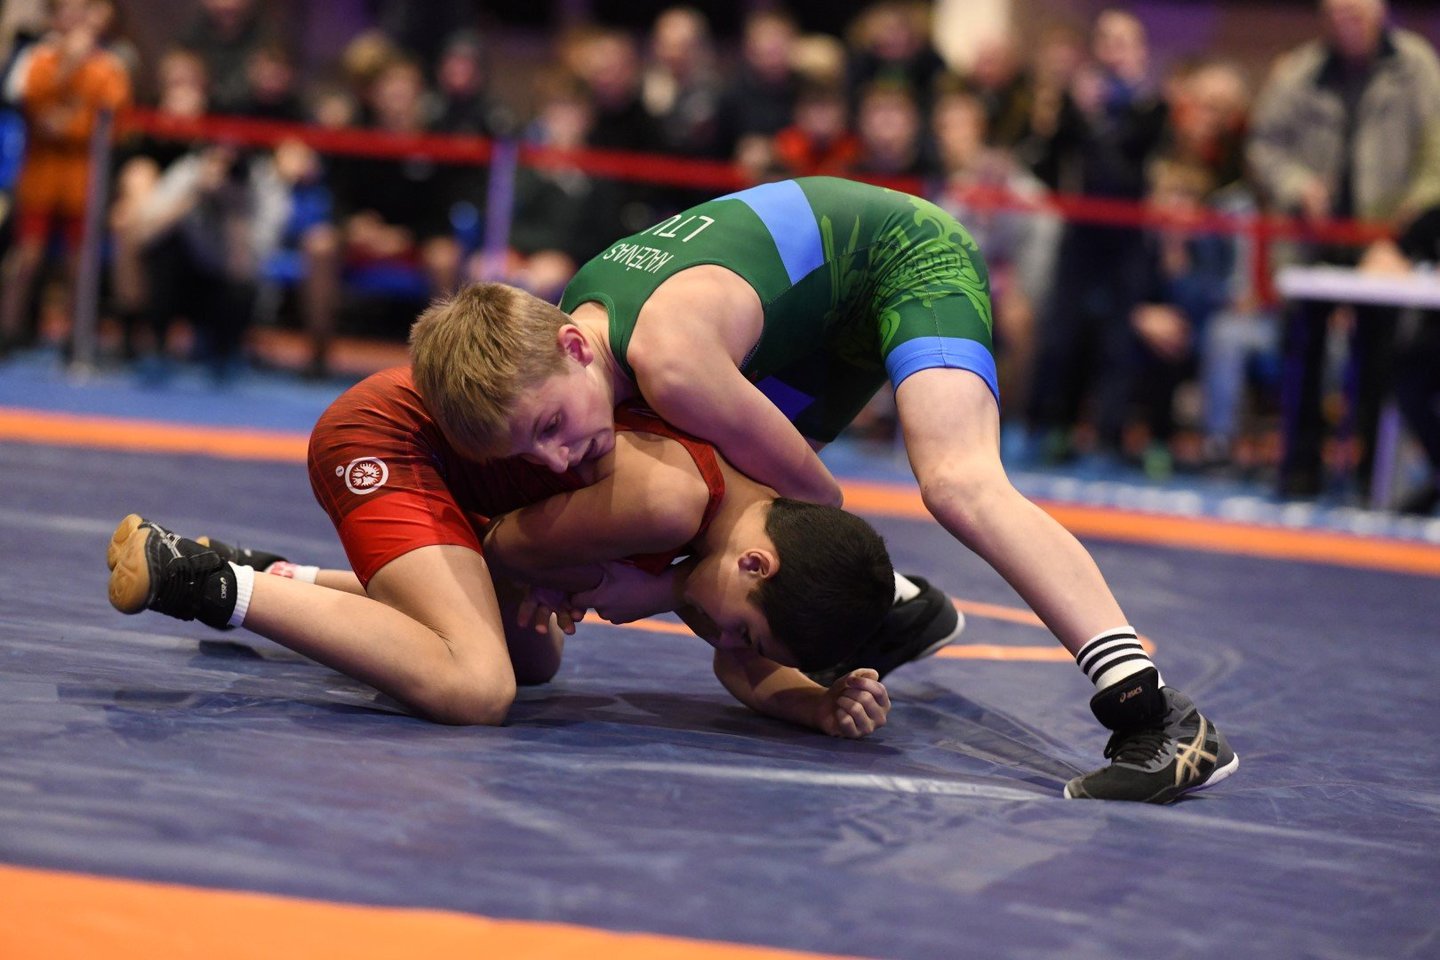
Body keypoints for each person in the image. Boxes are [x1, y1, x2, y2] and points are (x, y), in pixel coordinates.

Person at [410, 176, 1238, 804]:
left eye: (554, 427)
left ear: (574, 349)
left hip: (904, 254)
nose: (558, 458)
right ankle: (901, 607)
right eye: (535, 446)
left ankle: (1154, 712)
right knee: (726, 531)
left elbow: (815, 502)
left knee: (957, 481)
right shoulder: (575, 352)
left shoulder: (672, 365)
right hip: (812, 319)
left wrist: (656, 587)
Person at [105, 309, 897, 738]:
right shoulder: (672, 501)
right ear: (756, 564)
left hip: (468, 468)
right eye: (741, 631)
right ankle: (200, 578)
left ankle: (280, 576)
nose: (722, 640)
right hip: (395, 439)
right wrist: (645, 589)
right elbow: (499, 548)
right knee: (475, 687)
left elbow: (739, 661)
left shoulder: (743, 521)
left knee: (533, 660)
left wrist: (814, 703)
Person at [1246, 0, 1440, 498]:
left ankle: (1369, 475)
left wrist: (1411, 221)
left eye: (1355, 12)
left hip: (1386, 241)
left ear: (1379, 9)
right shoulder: (1301, 71)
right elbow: (1264, 144)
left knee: (1380, 356)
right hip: (1315, 238)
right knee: (1302, 351)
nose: (1346, 21)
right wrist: (1296, 186)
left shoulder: (1416, 66)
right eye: (1335, 14)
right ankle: (1299, 469)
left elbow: (1435, 155)